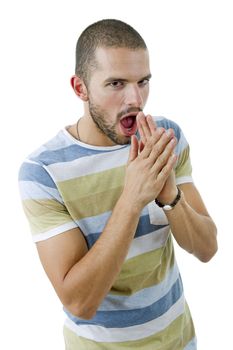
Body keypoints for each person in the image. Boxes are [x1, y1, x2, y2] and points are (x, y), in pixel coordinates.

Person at [18, 19, 217, 349]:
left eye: (143, 81)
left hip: (180, 342)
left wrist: (168, 193)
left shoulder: (165, 139)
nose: (135, 99)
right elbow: (80, 302)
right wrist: (133, 197)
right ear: (80, 88)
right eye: (116, 84)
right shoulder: (43, 172)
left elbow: (207, 248)